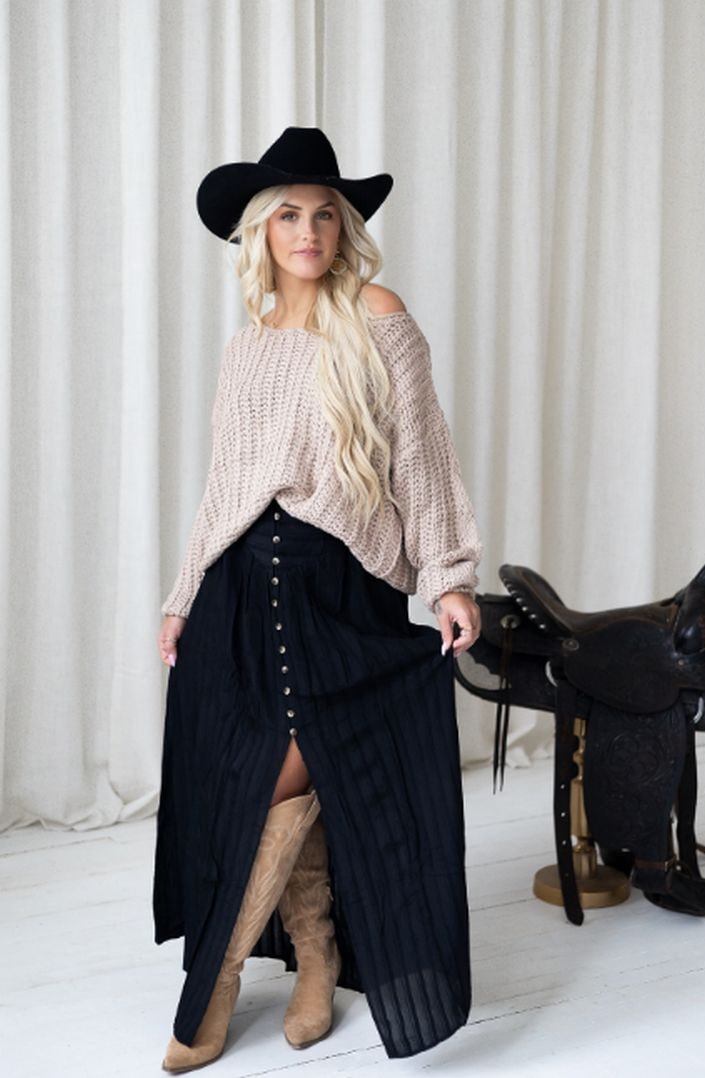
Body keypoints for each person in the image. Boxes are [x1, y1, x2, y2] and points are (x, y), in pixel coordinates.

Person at [153, 126, 483, 1071]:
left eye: (326, 216)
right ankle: (315, 953)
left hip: (337, 592)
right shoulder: (247, 345)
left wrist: (449, 574)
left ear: (345, 231)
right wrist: (182, 592)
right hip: (237, 592)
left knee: (290, 771)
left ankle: (214, 983)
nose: (309, 232)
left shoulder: (378, 315)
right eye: (290, 215)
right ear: (261, 230)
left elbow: (422, 453)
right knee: (256, 776)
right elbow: (223, 485)